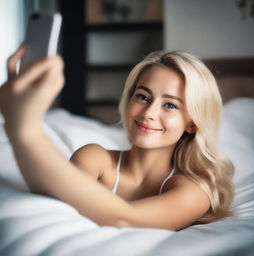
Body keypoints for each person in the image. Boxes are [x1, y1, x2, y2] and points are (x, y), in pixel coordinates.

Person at [0, 44, 234, 231]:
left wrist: (24, 128)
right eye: (143, 97)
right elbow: (58, 196)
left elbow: (125, 220)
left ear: (192, 124)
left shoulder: (195, 191)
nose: (149, 113)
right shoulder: (95, 157)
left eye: (170, 105)